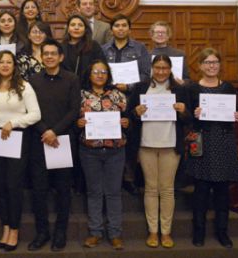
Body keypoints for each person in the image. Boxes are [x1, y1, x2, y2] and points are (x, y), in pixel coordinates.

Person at [128, 55, 191, 249]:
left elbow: (188, 119)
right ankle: (153, 231)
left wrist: (183, 111)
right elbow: (129, 117)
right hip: (146, 144)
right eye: (158, 67)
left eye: (165, 68)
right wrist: (136, 112)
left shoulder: (180, 89)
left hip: (171, 145)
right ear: (152, 68)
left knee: (167, 189)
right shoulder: (140, 88)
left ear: (170, 69)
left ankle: (166, 232)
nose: (161, 71)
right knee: (151, 188)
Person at [0, 50, 41, 251]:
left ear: (14, 66)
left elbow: (35, 114)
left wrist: (14, 122)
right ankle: (6, 227)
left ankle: (15, 230)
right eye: (1, 62)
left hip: (16, 138)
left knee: (13, 186)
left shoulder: (24, 87)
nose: (5, 65)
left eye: (9, 62)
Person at [27, 39, 80, 252]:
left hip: (62, 141)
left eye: (53, 53)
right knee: (39, 191)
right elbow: (28, 110)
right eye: (45, 53)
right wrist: (44, 131)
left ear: (61, 57)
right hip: (39, 141)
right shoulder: (32, 80)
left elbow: (74, 110)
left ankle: (60, 232)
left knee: (62, 191)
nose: (49, 56)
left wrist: (54, 131)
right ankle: (42, 232)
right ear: (41, 57)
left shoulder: (72, 79)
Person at [186, 48, 238, 249]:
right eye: (207, 62)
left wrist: (236, 116)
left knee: (222, 191)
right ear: (200, 66)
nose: (211, 66)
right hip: (202, 141)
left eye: (215, 62)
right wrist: (195, 114)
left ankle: (222, 232)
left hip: (224, 140)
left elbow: (235, 111)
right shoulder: (192, 89)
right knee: (200, 190)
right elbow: (186, 119)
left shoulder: (227, 87)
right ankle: (198, 233)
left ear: (219, 65)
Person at [76, 59, 129, 250]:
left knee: (114, 192)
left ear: (108, 75)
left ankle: (115, 233)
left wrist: (126, 122)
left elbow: (130, 117)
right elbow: (73, 117)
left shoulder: (118, 95)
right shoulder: (80, 95)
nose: (100, 75)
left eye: (103, 72)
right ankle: (95, 232)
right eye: (96, 71)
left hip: (115, 151)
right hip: (90, 151)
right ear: (89, 74)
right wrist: (78, 123)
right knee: (94, 192)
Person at [102, 14, 151, 195]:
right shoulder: (104, 49)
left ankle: (129, 179)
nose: (120, 28)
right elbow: (98, 73)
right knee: (110, 139)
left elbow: (146, 75)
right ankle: (111, 178)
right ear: (112, 29)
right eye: (117, 25)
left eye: (124, 25)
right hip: (109, 101)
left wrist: (128, 85)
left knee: (131, 141)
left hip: (132, 101)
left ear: (129, 29)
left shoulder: (140, 49)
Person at [62, 14, 106, 81]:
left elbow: (102, 66)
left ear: (85, 29)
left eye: (80, 25)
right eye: (73, 25)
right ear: (68, 29)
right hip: (66, 86)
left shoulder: (94, 45)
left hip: (89, 86)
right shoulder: (61, 47)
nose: (76, 28)